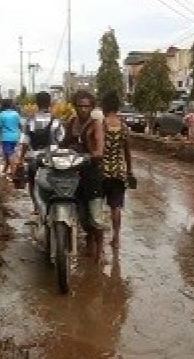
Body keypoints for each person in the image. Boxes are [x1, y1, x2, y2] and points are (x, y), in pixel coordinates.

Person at [63, 90, 106, 262]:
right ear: (75, 106)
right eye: (80, 106)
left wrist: (95, 154)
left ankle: (100, 249)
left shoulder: (96, 124)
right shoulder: (71, 123)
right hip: (73, 172)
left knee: (95, 215)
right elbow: (62, 143)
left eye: (87, 106)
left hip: (92, 172)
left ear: (92, 107)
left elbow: (100, 146)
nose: (83, 109)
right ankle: (88, 238)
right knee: (81, 213)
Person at [13, 91, 64, 213]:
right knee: (56, 180)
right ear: (50, 103)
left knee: (32, 181)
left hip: (35, 157)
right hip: (53, 157)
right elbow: (62, 139)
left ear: (36, 103)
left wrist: (20, 159)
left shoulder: (30, 121)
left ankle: (36, 206)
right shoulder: (56, 121)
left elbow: (24, 141)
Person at [100, 92, 134, 250]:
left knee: (98, 206)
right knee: (116, 206)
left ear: (104, 106)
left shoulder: (101, 125)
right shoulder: (124, 126)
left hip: (102, 171)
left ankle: (97, 242)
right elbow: (127, 152)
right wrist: (130, 172)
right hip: (119, 172)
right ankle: (116, 238)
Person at [0, 99, 22, 176]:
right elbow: (20, 125)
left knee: (9, 154)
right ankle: (4, 171)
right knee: (7, 154)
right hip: (15, 137)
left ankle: (14, 173)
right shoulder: (16, 114)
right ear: (11, 105)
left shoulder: (2, 114)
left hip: (6, 137)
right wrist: (22, 135)